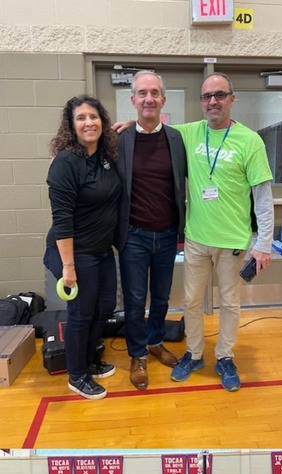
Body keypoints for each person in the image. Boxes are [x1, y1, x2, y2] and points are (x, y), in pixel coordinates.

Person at [169, 72, 275, 391]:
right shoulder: (188, 133)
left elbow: (263, 197)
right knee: (190, 301)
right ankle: (195, 352)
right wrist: (127, 126)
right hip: (197, 239)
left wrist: (264, 244)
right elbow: (153, 131)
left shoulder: (250, 140)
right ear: (201, 102)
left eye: (219, 95)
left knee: (230, 303)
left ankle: (225, 356)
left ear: (232, 98)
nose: (212, 102)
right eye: (206, 96)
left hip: (232, 242)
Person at [45, 95, 122, 400]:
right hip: (74, 254)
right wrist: (68, 267)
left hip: (102, 251)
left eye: (94, 116)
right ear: (71, 125)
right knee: (81, 314)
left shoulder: (104, 155)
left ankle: (89, 361)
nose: (89, 122)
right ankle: (77, 375)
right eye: (81, 118)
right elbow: (62, 220)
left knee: (103, 309)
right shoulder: (66, 162)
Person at [116, 70, 187, 390]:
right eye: (142, 93)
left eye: (154, 92)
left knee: (160, 297)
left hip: (168, 233)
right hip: (134, 235)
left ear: (163, 99)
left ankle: (155, 342)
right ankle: (136, 354)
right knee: (133, 300)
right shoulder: (119, 139)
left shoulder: (176, 138)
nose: (148, 98)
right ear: (133, 100)